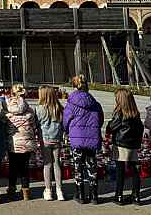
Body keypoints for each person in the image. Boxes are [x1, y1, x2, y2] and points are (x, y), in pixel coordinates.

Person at [63, 74, 103, 205]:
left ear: (74, 86)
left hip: (76, 138)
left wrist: (67, 130)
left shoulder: (71, 102)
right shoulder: (95, 103)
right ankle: (94, 195)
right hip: (91, 138)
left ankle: (80, 194)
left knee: (78, 166)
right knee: (92, 166)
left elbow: (66, 120)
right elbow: (100, 120)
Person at [106, 88, 144, 206]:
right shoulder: (135, 113)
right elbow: (140, 129)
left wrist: (108, 127)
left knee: (120, 171)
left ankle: (119, 195)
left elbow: (112, 126)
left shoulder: (120, 113)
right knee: (134, 170)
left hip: (121, 143)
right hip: (132, 145)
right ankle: (136, 195)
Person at [2, 84, 39, 201]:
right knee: (24, 168)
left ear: (11, 93)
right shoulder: (30, 111)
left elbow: (2, 126)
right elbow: (34, 127)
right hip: (26, 143)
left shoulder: (5, 110)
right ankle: (25, 191)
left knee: (12, 167)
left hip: (12, 143)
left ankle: (12, 189)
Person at [35, 85, 65, 201]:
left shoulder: (39, 109)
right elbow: (63, 125)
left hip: (45, 139)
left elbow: (36, 124)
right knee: (57, 163)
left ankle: (48, 190)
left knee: (47, 164)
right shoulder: (59, 108)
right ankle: (59, 190)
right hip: (57, 139)